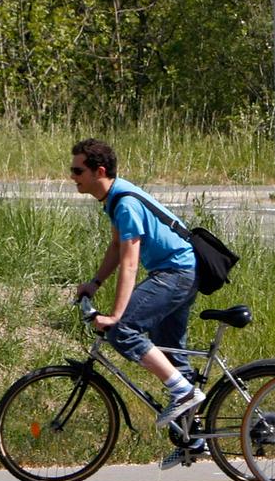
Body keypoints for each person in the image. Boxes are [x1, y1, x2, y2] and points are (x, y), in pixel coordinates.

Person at [69, 137, 202, 433]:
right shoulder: (115, 198)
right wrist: (95, 282)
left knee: (123, 330)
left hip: (176, 272)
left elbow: (130, 262)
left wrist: (117, 316)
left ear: (99, 171)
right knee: (170, 355)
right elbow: (116, 245)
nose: (72, 177)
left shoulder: (125, 203)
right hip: (180, 271)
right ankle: (193, 439)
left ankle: (184, 392)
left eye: (77, 171)